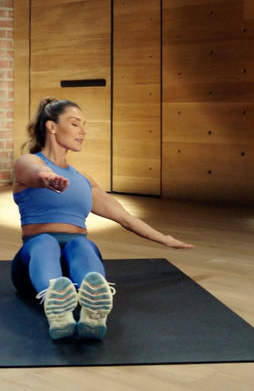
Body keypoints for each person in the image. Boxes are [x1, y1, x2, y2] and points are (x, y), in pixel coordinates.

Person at [10, 97, 194, 340]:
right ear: (52, 126)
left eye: (84, 125)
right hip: (33, 264)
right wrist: (47, 178)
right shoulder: (29, 162)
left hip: (73, 263)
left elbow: (125, 218)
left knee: (83, 244)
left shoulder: (83, 180)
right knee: (45, 243)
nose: (83, 131)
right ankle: (56, 308)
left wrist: (165, 239)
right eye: (75, 124)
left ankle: (92, 312)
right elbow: (36, 173)